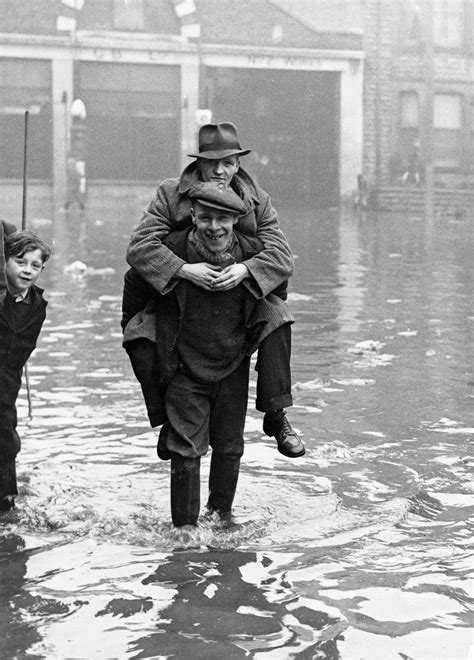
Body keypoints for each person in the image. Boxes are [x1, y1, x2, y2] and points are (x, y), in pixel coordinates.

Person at [126, 121, 304, 458]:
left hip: (238, 296)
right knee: (139, 340)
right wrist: (183, 269)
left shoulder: (257, 200)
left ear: (238, 164)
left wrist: (245, 269)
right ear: (198, 164)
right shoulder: (170, 194)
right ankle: (167, 418)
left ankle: (277, 414)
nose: (219, 170)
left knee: (279, 318)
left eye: (228, 163)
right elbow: (138, 248)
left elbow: (282, 255)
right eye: (212, 163)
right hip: (181, 296)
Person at [123, 183, 294, 531]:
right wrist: (139, 327)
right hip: (183, 365)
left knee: (230, 448)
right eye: (205, 218)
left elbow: (278, 292)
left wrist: (247, 272)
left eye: (222, 219)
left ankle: (221, 522)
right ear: (192, 217)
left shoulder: (253, 252)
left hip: (232, 363)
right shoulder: (171, 250)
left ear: (235, 219)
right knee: (186, 451)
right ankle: (184, 535)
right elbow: (134, 284)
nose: (214, 227)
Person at [0, 229, 51, 512]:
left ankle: (7, 503)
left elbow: (22, 349)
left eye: (35, 265)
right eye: (20, 262)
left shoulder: (37, 304)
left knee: (7, 442)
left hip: (7, 385)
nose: (28, 270)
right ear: (4, 261)